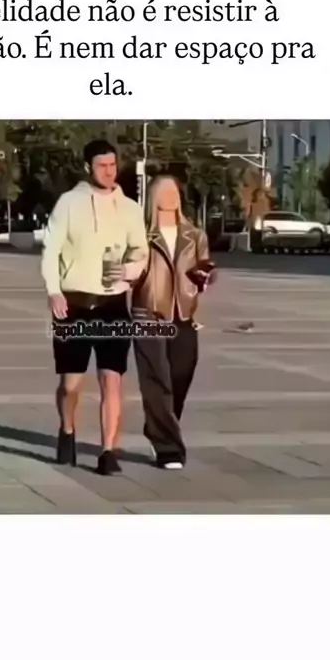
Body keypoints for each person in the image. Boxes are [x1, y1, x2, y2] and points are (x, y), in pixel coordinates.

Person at [41, 140, 148, 475]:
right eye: (102, 165)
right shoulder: (68, 203)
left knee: (111, 380)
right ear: (88, 167)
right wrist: (54, 291)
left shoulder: (130, 208)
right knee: (70, 385)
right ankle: (67, 429)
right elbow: (50, 250)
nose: (109, 171)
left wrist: (129, 271)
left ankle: (108, 451)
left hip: (113, 304)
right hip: (73, 304)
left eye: (113, 165)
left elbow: (140, 252)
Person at [131, 176, 215, 470]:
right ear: (154, 197)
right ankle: (168, 448)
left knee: (181, 373)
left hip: (184, 315)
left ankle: (160, 425)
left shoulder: (195, 235)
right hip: (148, 314)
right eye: (165, 191)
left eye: (175, 191)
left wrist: (205, 276)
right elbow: (128, 268)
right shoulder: (140, 235)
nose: (172, 196)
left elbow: (204, 264)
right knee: (156, 379)